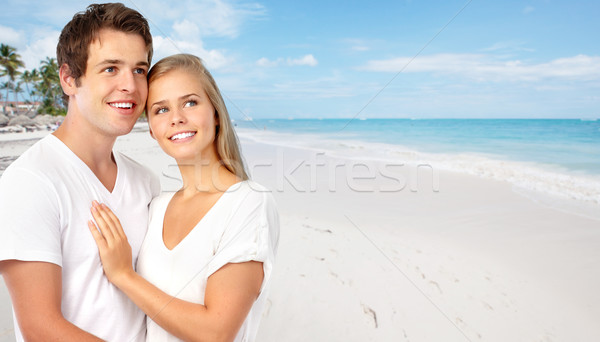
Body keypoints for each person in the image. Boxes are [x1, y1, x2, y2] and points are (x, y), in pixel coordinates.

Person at [88, 54, 279, 342]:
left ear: (215, 113)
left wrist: (125, 276)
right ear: (152, 129)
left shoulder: (248, 202)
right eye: (161, 109)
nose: (176, 118)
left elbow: (216, 332)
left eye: (190, 102)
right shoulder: (156, 206)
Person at [0, 3, 159, 341]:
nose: (130, 86)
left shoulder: (147, 182)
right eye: (111, 69)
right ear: (69, 79)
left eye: (140, 69)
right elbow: (40, 327)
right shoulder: (29, 182)